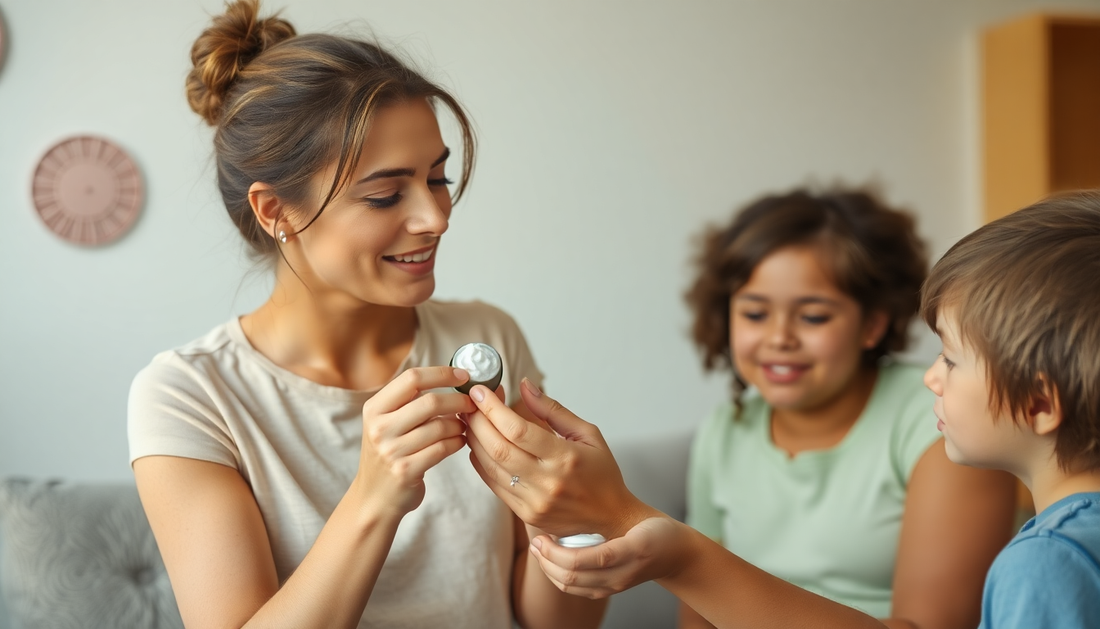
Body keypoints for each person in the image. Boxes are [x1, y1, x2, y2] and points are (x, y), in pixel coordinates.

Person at [127, 2, 606, 628]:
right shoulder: (190, 397)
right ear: (276, 212)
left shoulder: (484, 338)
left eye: (438, 178)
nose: (436, 218)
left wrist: (578, 518)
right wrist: (375, 500)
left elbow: (553, 623)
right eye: (385, 194)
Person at [462, 190, 1100, 628]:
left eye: (814, 315)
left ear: (874, 322)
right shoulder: (727, 432)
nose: (780, 337)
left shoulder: (944, 424)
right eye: (756, 312)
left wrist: (645, 531)